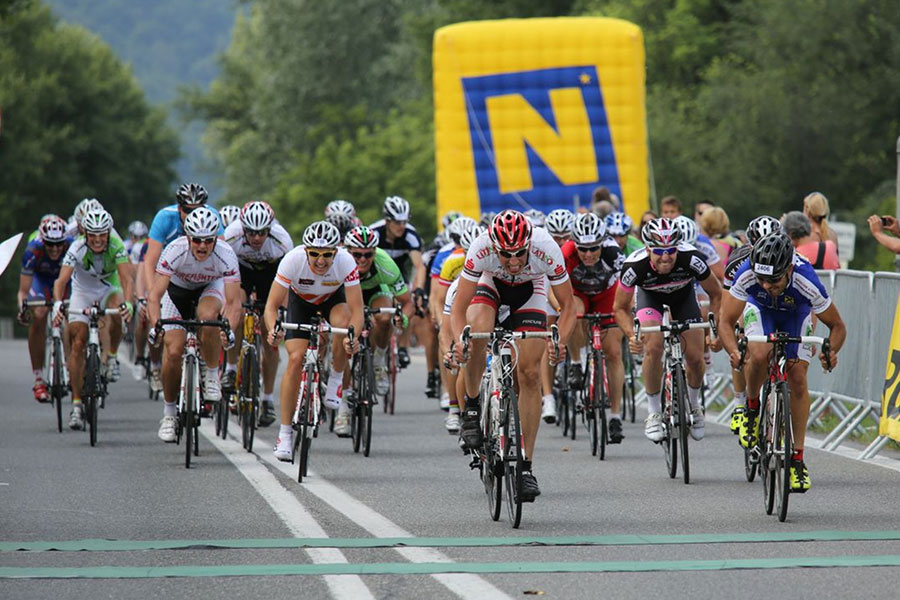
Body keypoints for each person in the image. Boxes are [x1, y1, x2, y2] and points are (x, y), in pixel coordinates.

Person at [451, 210, 576, 502]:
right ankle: (471, 407)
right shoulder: (480, 247)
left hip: (531, 291)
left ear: (530, 244)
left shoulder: (546, 248)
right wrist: (461, 341)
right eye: (506, 255)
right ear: (494, 246)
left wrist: (560, 341)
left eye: (520, 253)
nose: (515, 261)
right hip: (491, 286)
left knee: (530, 375)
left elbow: (569, 307)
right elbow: (459, 309)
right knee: (478, 329)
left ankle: (525, 468)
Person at [718, 232, 845, 492]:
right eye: (761, 279)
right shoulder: (747, 273)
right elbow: (726, 322)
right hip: (760, 309)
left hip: (795, 313)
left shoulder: (806, 278)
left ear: (788, 269)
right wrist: (733, 350)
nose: (766, 285)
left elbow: (838, 327)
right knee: (760, 353)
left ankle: (797, 460)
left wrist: (831, 351)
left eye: (773, 279)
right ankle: (752, 410)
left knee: (798, 377)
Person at [613, 218, 722, 442]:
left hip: (683, 298)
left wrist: (715, 328)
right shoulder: (634, 267)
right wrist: (632, 335)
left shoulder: (692, 258)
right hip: (649, 298)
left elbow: (717, 294)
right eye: (659, 251)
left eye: (671, 250)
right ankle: (653, 412)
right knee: (653, 347)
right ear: (647, 248)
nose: (666, 257)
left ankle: (694, 404)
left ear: (678, 247)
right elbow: (620, 308)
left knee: (695, 356)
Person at [265, 221, 363, 452]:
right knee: (296, 359)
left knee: (342, 325)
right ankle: (285, 435)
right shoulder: (292, 260)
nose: (320, 260)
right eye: (315, 254)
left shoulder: (346, 261)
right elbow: (271, 306)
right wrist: (273, 329)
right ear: (306, 251)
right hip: (300, 302)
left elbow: (357, 311)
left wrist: (353, 336)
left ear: (335, 252)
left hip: (332, 299)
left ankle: (336, 380)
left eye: (327, 254)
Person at [148, 206, 241, 442]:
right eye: (197, 240)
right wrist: (155, 325)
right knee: (174, 351)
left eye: (208, 240)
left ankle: (211, 375)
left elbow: (233, 301)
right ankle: (169, 414)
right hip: (176, 293)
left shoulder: (226, 254)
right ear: (188, 237)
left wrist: (228, 328)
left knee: (208, 318)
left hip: (210, 289)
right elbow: (155, 296)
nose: (202, 246)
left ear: (215, 239)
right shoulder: (174, 250)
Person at [52, 208, 133, 430]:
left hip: (109, 287)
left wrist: (130, 303)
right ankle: (77, 405)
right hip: (83, 291)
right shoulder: (76, 247)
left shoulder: (117, 245)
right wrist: (59, 303)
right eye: (92, 235)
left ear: (108, 233)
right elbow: (61, 281)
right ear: (85, 234)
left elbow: (127, 279)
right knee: (78, 340)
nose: (97, 240)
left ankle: (112, 356)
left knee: (117, 309)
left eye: (102, 235)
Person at [143, 183, 224, 396]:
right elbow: (150, 261)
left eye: (198, 208)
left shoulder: (212, 217)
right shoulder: (164, 218)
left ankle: (207, 359)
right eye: (188, 210)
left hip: (204, 279)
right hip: (171, 278)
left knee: (208, 317)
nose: (193, 214)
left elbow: (222, 257)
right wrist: (152, 296)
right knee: (164, 332)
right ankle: (156, 367)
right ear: (179, 208)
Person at [222, 200, 293, 426]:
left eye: (261, 233)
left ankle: (267, 399)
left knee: (269, 331)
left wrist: (282, 310)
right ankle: (232, 369)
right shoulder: (231, 236)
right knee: (238, 312)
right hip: (240, 273)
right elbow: (222, 271)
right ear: (243, 229)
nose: (256, 238)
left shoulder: (282, 242)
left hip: (271, 277)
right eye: (251, 233)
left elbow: (289, 281)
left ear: (269, 230)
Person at [563, 213, 626, 443]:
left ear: (602, 243)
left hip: (607, 294)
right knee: (574, 312)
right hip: (578, 294)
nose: (588, 255)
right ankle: (577, 363)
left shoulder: (614, 254)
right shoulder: (566, 254)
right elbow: (556, 290)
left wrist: (625, 314)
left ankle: (615, 416)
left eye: (593, 249)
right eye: (583, 249)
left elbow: (629, 288)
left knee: (614, 353)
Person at [343, 225, 413, 397]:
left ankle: (379, 360)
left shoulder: (386, 265)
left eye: (368, 254)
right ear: (347, 251)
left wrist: (402, 318)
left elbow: (407, 302)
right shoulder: (339, 261)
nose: (363, 259)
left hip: (375, 289)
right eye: (357, 254)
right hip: (346, 290)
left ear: (375, 252)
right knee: (342, 321)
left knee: (384, 317)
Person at [17, 216, 71, 402]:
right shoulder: (33, 250)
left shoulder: (72, 246)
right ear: (42, 240)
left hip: (66, 281)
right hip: (42, 281)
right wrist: (23, 309)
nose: (55, 249)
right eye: (50, 244)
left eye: (59, 244)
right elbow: (23, 292)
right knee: (38, 315)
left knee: (73, 316)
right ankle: (39, 379)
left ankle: (73, 365)